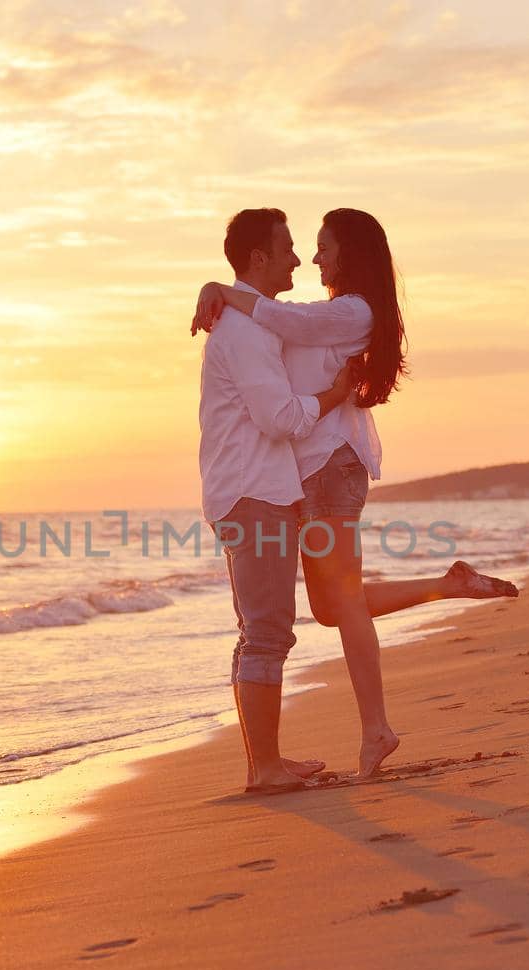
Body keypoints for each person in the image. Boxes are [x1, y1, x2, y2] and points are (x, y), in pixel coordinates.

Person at [192, 208, 518, 779]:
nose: (312, 258)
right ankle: (449, 584)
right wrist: (218, 287)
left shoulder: (351, 311)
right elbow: (279, 322)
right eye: (302, 247)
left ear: (350, 254)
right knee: (327, 606)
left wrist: (223, 288)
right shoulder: (325, 312)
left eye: (322, 247)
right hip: (312, 469)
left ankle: (377, 729)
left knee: (337, 603)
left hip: (329, 465)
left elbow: (284, 321)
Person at [199, 207, 359, 793]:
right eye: (288, 248)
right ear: (259, 258)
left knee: (266, 628)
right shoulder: (243, 333)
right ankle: (264, 768)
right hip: (252, 493)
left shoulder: (254, 324)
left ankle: (266, 761)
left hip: (260, 491)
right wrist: (331, 395)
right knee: (266, 630)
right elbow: (278, 417)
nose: (298, 258)